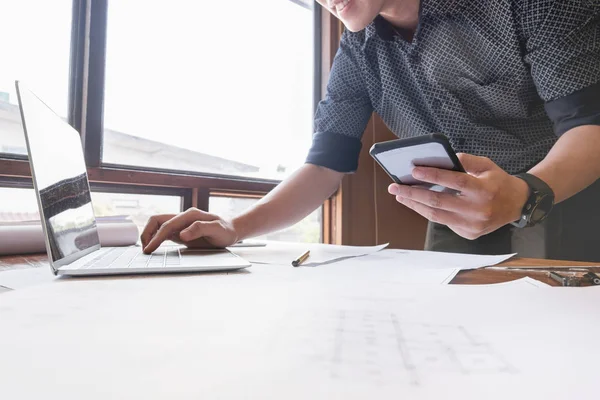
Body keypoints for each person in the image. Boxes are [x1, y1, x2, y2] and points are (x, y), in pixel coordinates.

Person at [141, 0, 600, 261]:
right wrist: (234, 225)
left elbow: (588, 125)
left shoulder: (534, 4)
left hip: (566, 189)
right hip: (453, 212)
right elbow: (324, 164)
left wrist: (525, 194)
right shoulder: (357, 49)